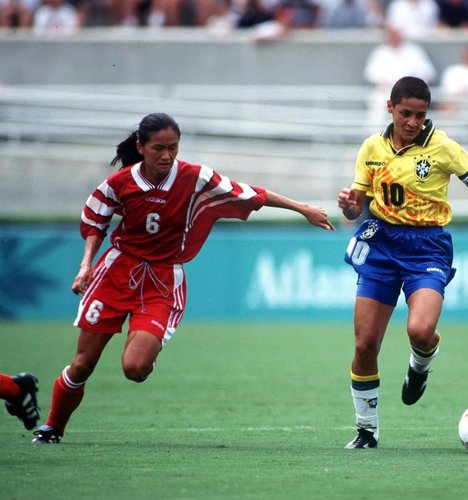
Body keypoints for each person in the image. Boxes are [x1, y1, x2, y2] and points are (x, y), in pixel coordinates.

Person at [32, 113, 334, 445]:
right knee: (83, 363)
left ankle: (149, 353)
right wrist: (85, 265)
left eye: (173, 148)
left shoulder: (195, 177)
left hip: (161, 280)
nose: (166, 155)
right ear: (141, 147)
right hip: (116, 274)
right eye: (158, 148)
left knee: (135, 369)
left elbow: (250, 194)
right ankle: (52, 427)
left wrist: (302, 208)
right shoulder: (119, 183)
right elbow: (95, 222)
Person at [337, 76, 468, 449]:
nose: (413, 123)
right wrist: (350, 206)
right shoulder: (371, 147)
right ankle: (366, 431)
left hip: (427, 246)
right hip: (382, 243)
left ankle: (419, 367)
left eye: (420, 115)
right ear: (390, 108)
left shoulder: (445, 148)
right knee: (365, 344)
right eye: (405, 114)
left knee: (420, 331)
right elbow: (359, 202)